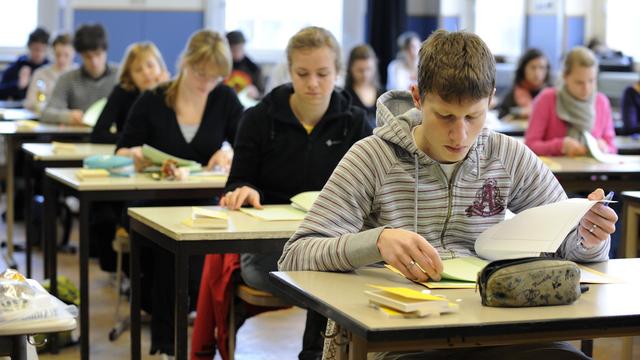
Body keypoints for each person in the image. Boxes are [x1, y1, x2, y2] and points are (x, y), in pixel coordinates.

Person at [279, 30, 616, 360]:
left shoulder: (508, 155)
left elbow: (575, 244)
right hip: (403, 337)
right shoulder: (372, 157)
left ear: (492, 98)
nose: (460, 134)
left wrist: (589, 237)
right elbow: (295, 255)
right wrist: (376, 241)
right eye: (445, 116)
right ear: (417, 97)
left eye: (474, 116)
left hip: (500, 328)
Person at [192, 26, 372, 360]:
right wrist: (242, 191)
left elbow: (374, 192)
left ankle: (315, 353)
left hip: (332, 243)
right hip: (267, 250)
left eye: (323, 74)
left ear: (338, 73)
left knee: (332, 269)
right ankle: (316, 355)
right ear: (289, 72)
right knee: (332, 279)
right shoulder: (258, 119)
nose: (313, 84)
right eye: (302, 74)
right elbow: (237, 182)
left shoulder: (357, 124)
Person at [116, 29, 243, 356]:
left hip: (202, 200)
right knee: (167, 248)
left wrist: (227, 152)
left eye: (215, 77)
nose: (206, 83)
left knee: (199, 242)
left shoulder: (224, 99)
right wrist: (138, 157)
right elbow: (121, 151)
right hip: (153, 202)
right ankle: (168, 341)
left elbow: (246, 146)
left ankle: (194, 340)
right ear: (185, 62)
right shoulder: (154, 98)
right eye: (201, 74)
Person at [525, 47, 616, 157]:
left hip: (592, 171)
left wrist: (604, 147)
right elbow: (530, 145)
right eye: (579, 82)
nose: (586, 88)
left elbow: (612, 147)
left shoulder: (602, 102)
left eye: (591, 81)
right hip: (554, 173)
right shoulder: (547, 99)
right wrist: (560, 145)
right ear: (565, 77)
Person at [91, 42, 169, 144]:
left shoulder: (171, 92)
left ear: (160, 67)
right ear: (130, 76)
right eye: (138, 70)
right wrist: (134, 140)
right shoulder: (122, 92)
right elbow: (98, 135)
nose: (146, 73)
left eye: (150, 66)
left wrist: (161, 93)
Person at [41, 23, 118, 125]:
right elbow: (46, 113)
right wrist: (67, 116)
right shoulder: (67, 79)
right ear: (80, 55)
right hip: (78, 137)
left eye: (98, 54)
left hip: (113, 137)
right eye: (88, 57)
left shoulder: (121, 76)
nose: (94, 61)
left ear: (105, 51)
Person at [24, 33, 76, 113]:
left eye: (66, 55)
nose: (61, 59)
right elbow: (29, 102)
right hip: (44, 118)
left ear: (74, 53)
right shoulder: (41, 74)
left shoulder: (78, 75)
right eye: (58, 55)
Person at [497, 48, 551, 119]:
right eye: (533, 67)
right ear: (523, 69)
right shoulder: (512, 96)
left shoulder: (552, 94)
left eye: (542, 68)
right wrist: (518, 113)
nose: (537, 73)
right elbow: (502, 118)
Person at [0, 27, 50, 100]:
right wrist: (18, 84)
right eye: (36, 49)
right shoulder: (18, 65)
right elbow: (1, 91)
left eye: (42, 50)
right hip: (19, 107)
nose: (39, 54)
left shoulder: (48, 68)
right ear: (29, 47)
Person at [345, 44, 384, 128]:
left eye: (369, 69)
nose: (365, 75)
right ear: (351, 69)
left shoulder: (384, 94)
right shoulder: (345, 97)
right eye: (360, 70)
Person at [224, 30, 264, 99]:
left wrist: (257, 94)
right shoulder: (221, 67)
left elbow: (262, 94)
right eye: (233, 50)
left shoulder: (253, 68)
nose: (237, 53)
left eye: (240, 48)